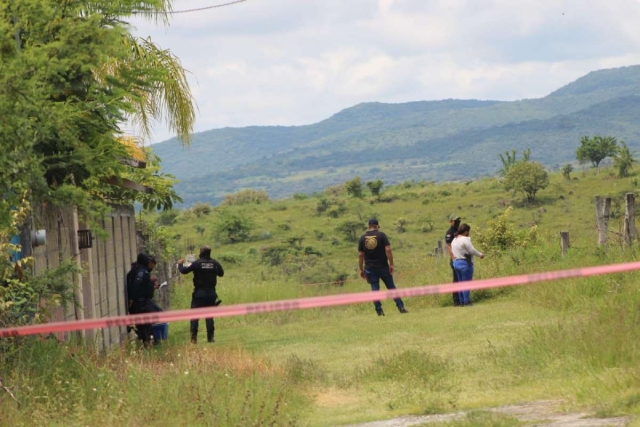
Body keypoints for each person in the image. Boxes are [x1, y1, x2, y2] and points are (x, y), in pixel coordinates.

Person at [358, 218, 408, 316]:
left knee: (375, 289)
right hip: (383, 267)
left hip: (370, 268)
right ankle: (401, 307)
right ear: (377, 226)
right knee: (391, 287)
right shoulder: (381, 235)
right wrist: (391, 264)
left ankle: (379, 310)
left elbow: (360, 255)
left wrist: (361, 269)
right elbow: (388, 249)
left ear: (369, 226)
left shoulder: (362, 238)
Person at [178, 245, 224, 343]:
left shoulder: (197, 263)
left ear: (201, 253)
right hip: (211, 292)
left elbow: (183, 271)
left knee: (195, 315)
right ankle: (210, 338)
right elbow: (221, 273)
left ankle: (193, 339)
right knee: (209, 316)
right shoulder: (214, 263)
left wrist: (180, 264)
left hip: (199, 293)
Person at [126, 253, 159, 346]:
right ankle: (146, 342)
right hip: (140, 302)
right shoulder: (141, 271)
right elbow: (137, 284)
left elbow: (142, 286)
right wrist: (132, 298)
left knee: (143, 323)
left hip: (140, 301)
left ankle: (146, 341)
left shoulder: (136, 270)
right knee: (144, 324)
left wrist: (151, 286)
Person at [451, 224, 485, 306]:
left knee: (460, 283)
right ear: (466, 231)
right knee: (466, 283)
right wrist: (480, 255)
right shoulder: (465, 239)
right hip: (465, 263)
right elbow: (471, 250)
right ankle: (466, 301)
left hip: (456, 263)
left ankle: (461, 301)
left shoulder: (454, 240)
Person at [445, 214, 462, 306]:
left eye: (458, 221)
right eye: (455, 221)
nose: (457, 223)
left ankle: (463, 299)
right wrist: (453, 258)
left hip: (462, 257)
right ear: (450, 222)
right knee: (456, 280)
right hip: (455, 259)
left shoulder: (460, 231)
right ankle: (456, 301)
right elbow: (448, 246)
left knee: (462, 279)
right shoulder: (450, 232)